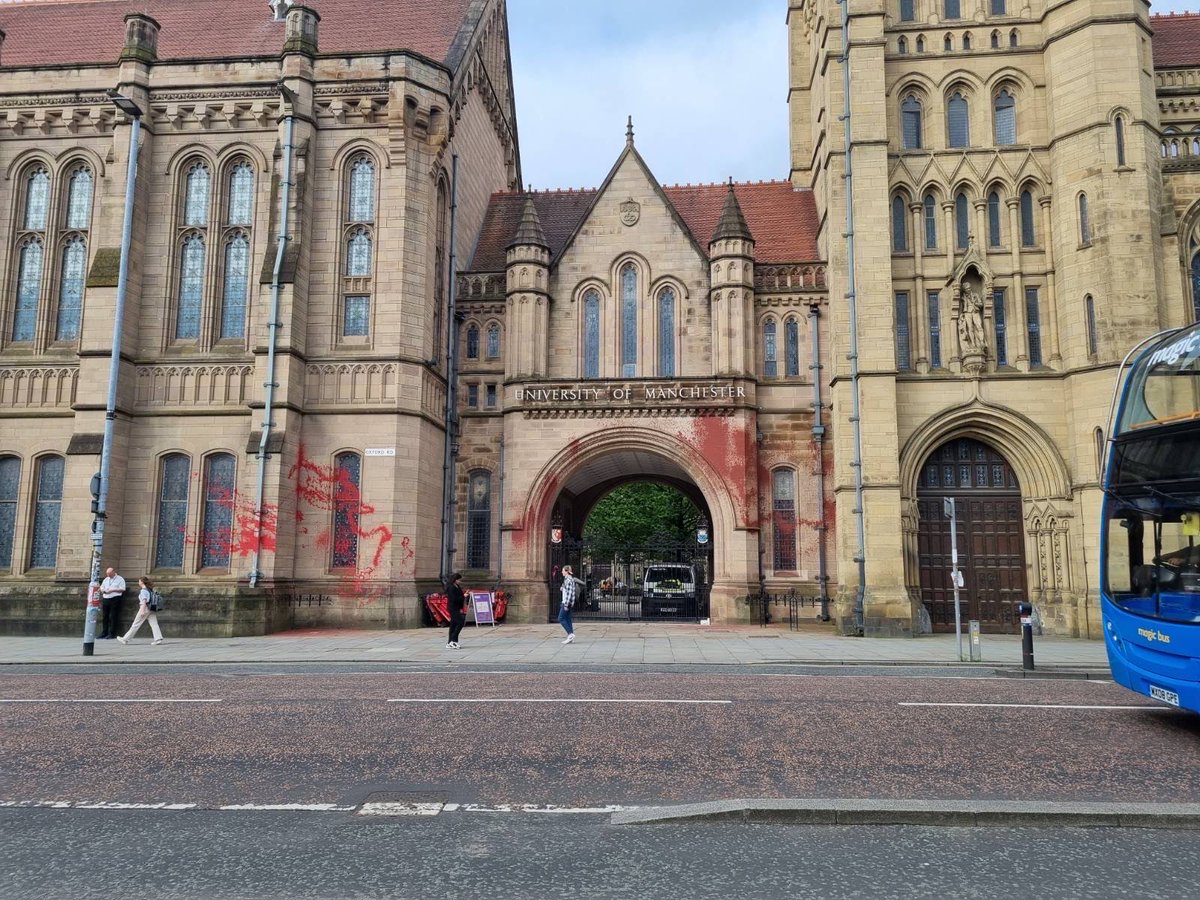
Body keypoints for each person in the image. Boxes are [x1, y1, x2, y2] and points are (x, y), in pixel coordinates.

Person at [117, 577, 163, 645]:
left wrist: (142, 611)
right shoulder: (150, 589)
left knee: (136, 624)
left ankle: (125, 639)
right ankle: (158, 639)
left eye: (139, 581)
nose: (138, 583)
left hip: (145, 608)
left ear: (142, 582)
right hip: (151, 608)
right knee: (154, 624)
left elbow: (144, 601)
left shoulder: (143, 590)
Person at [99, 567, 126, 640]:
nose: (108, 575)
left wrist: (113, 590)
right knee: (105, 616)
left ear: (113, 572)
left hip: (115, 598)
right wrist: (103, 590)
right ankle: (104, 632)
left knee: (113, 616)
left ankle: (112, 633)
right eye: (107, 574)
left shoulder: (120, 579)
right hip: (106, 598)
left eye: (110, 574)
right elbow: (101, 587)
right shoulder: (106, 579)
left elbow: (123, 589)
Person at [559, 565, 581, 644]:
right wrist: (562, 588)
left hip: (566, 602)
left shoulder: (568, 580)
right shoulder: (568, 579)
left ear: (566, 571)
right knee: (568, 619)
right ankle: (570, 636)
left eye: (563, 571)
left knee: (561, 618)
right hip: (567, 602)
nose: (562, 572)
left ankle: (570, 634)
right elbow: (567, 590)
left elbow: (570, 593)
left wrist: (566, 604)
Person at [446, 572, 467, 650]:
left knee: (453, 624)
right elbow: (453, 598)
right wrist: (463, 596)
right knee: (460, 622)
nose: (460, 581)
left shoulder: (457, 586)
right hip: (453, 608)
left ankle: (450, 642)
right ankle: (453, 640)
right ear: (455, 580)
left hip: (456, 607)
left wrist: (464, 595)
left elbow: (459, 595)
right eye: (459, 580)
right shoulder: (451, 587)